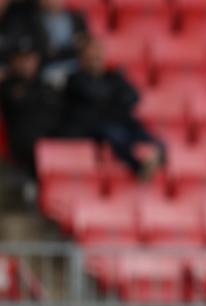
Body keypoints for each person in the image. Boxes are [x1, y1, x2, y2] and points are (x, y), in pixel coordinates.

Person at [63, 38, 164, 177]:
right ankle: (138, 167)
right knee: (117, 136)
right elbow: (94, 95)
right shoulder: (75, 79)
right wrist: (114, 98)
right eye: (91, 56)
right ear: (82, 59)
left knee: (154, 140)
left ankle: (155, 159)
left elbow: (133, 96)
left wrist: (111, 98)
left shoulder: (112, 76)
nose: (95, 59)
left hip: (121, 120)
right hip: (96, 125)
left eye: (98, 55)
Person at [0, 39, 61, 175]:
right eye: (21, 59)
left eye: (29, 59)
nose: (25, 64)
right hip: (22, 145)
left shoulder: (46, 86)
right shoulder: (7, 86)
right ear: (13, 61)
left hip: (49, 140)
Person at [37, 0, 88, 86]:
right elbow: (46, 50)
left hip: (75, 65)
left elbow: (84, 41)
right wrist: (71, 46)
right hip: (50, 67)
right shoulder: (36, 21)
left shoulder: (76, 17)